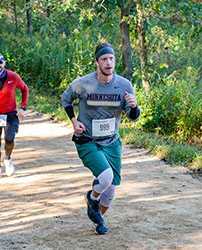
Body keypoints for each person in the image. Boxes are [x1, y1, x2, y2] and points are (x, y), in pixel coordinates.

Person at [61, 42, 140, 235]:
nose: (108, 62)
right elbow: (66, 99)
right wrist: (73, 121)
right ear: (97, 62)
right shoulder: (82, 83)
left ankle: (99, 221)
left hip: (111, 141)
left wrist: (135, 105)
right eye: (104, 59)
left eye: (111, 58)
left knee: (111, 190)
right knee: (105, 177)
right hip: (87, 140)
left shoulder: (124, 85)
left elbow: (133, 116)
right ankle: (92, 198)